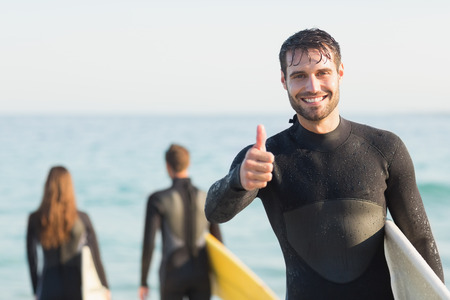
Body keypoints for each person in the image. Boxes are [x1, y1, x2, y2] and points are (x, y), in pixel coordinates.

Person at [205, 28, 444, 299]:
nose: (312, 87)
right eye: (299, 76)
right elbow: (215, 212)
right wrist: (239, 181)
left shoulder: (384, 148)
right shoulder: (267, 157)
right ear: (284, 81)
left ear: (340, 73)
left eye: (322, 73)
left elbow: (420, 240)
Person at [139, 144, 222, 300]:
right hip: (202, 274)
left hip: (172, 273)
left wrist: (143, 281)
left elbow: (148, 243)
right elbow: (219, 242)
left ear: (167, 166)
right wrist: (224, 279)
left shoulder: (157, 199)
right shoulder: (206, 197)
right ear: (188, 163)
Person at [26, 166, 110, 300]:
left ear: (48, 186)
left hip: (48, 285)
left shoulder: (35, 219)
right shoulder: (82, 218)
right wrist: (105, 286)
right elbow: (95, 255)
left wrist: (36, 288)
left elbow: (32, 258)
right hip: (75, 286)